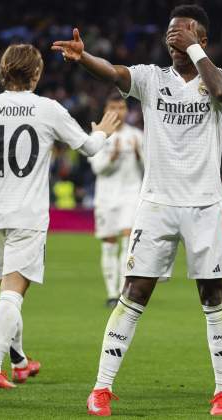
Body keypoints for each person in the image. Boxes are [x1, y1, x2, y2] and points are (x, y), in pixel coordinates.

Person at [52, 4, 222, 416]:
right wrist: (84, 59)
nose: (173, 39)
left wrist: (195, 53)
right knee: (133, 293)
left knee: (213, 295)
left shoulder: (220, 78)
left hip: (206, 205)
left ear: (202, 39)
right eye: (170, 34)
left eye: (183, 33)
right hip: (156, 204)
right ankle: (101, 388)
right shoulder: (153, 79)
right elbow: (117, 73)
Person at [0, 43, 120, 389]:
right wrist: (103, 130)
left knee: (8, 291)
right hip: (27, 215)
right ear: (37, 74)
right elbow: (88, 148)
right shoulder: (48, 110)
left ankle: (21, 362)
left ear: (4, 70)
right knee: (13, 293)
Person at [89, 94, 144, 308]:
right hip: (105, 198)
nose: (117, 111)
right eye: (113, 107)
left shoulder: (137, 136)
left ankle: (124, 292)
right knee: (109, 245)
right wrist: (111, 159)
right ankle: (111, 293)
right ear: (105, 109)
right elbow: (96, 168)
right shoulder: (99, 135)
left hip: (131, 196)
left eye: (121, 107)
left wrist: (139, 155)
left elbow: (148, 167)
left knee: (128, 242)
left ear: (126, 110)